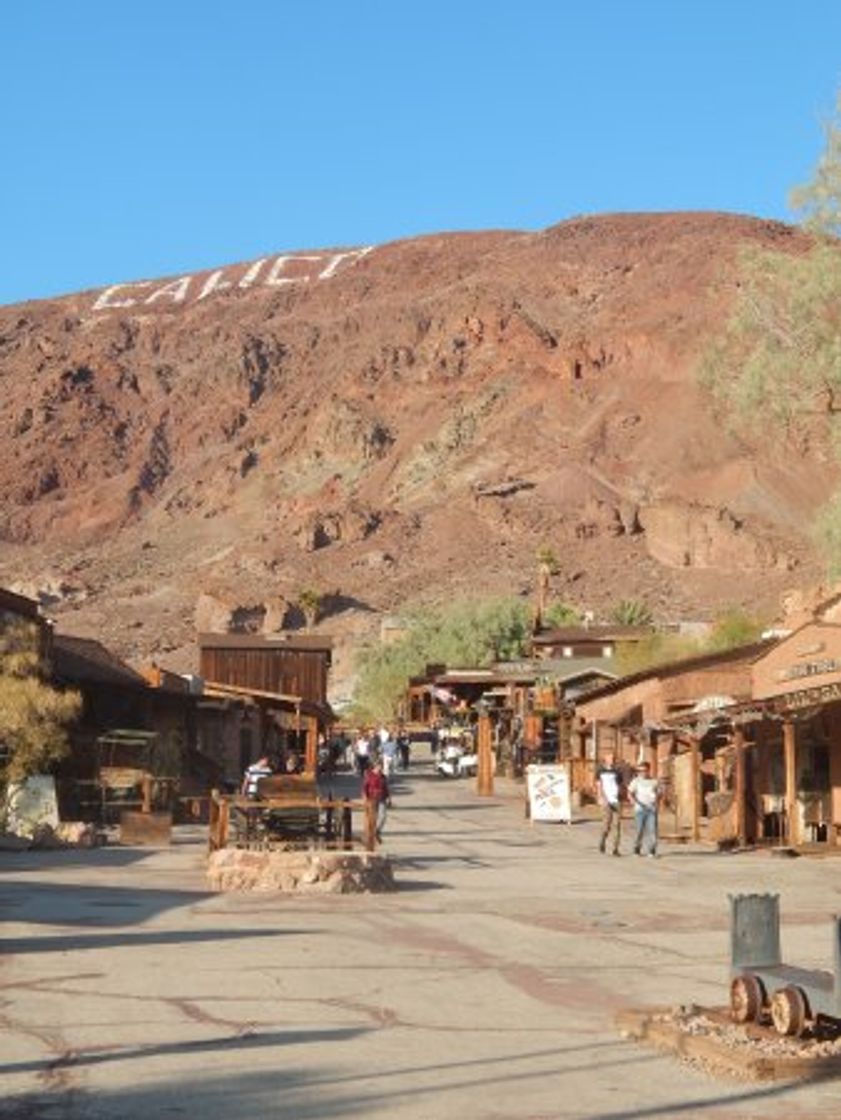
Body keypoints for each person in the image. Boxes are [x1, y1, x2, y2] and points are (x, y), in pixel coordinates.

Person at [628, 760, 661, 857]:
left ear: (648, 770)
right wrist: (632, 801)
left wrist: (657, 800)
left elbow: (660, 793)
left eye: (644, 770)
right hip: (640, 809)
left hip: (651, 809)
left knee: (652, 830)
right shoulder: (636, 781)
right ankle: (636, 849)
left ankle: (651, 850)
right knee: (639, 830)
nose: (642, 773)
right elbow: (629, 792)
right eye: (639, 771)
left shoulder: (654, 781)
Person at [596, 752, 623, 856]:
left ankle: (615, 849)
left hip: (616, 801)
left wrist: (620, 797)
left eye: (613, 758)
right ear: (605, 759)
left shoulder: (617, 771)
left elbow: (620, 786)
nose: (612, 760)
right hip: (606, 801)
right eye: (610, 758)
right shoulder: (600, 771)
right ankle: (602, 840)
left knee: (617, 826)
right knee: (606, 825)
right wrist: (601, 798)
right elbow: (599, 786)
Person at [362, 759, 392, 842]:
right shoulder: (369, 775)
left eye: (381, 766)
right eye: (379, 766)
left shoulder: (383, 776)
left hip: (382, 798)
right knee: (372, 817)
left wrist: (389, 799)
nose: (381, 768)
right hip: (372, 798)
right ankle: (370, 836)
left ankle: (377, 831)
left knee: (383, 816)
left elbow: (386, 788)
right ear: (375, 767)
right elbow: (365, 787)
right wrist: (365, 798)